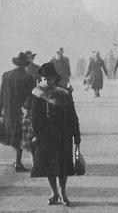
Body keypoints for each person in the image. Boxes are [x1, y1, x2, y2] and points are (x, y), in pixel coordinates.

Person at [30, 62, 81, 206]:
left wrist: (76, 134)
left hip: (63, 134)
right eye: (44, 78)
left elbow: (72, 115)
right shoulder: (37, 93)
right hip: (45, 136)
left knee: (63, 166)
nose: (47, 80)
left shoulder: (64, 93)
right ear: (41, 79)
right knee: (49, 166)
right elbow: (34, 117)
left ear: (55, 78)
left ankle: (63, 192)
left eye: (49, 78)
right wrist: (36, 134)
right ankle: (54, 192)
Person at [0, 52, 34, 171]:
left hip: (8, 111)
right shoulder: (28, 78)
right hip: (21, 111)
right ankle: (18, 163)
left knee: (10, 135)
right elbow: (30, 97)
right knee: (19, 136)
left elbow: (1, 95)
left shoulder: (6, 75)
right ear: (25, 64)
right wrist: (28, 110)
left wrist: (0, 110)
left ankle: (16, 162)